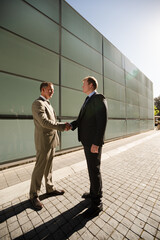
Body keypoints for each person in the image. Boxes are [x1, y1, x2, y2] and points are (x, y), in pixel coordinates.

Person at [70, 76, 108, 218]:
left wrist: (96, 143)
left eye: (84, 84)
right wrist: (72, 125)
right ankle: (94, 192)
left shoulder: (98, 98)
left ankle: (97, 203)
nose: (82, 86)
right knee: (91, 169)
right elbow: (81, 120)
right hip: (87, 141)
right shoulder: (88, 99)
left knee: (94, 169)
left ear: (91, 85)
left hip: (93, 143)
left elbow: (102, 122)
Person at [29, 81, 70, 210]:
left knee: (49, 167)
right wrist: (62, 126)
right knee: (40, 168)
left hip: (52, 141)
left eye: (53, 90)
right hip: (43, 142)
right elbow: (44, 122)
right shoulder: (37, 104)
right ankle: (34, 195)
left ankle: (50, 188)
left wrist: (59, 127)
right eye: (49, 89)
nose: (52, 92)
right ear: (42, 90)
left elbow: (52, 121)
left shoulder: (48, 104)